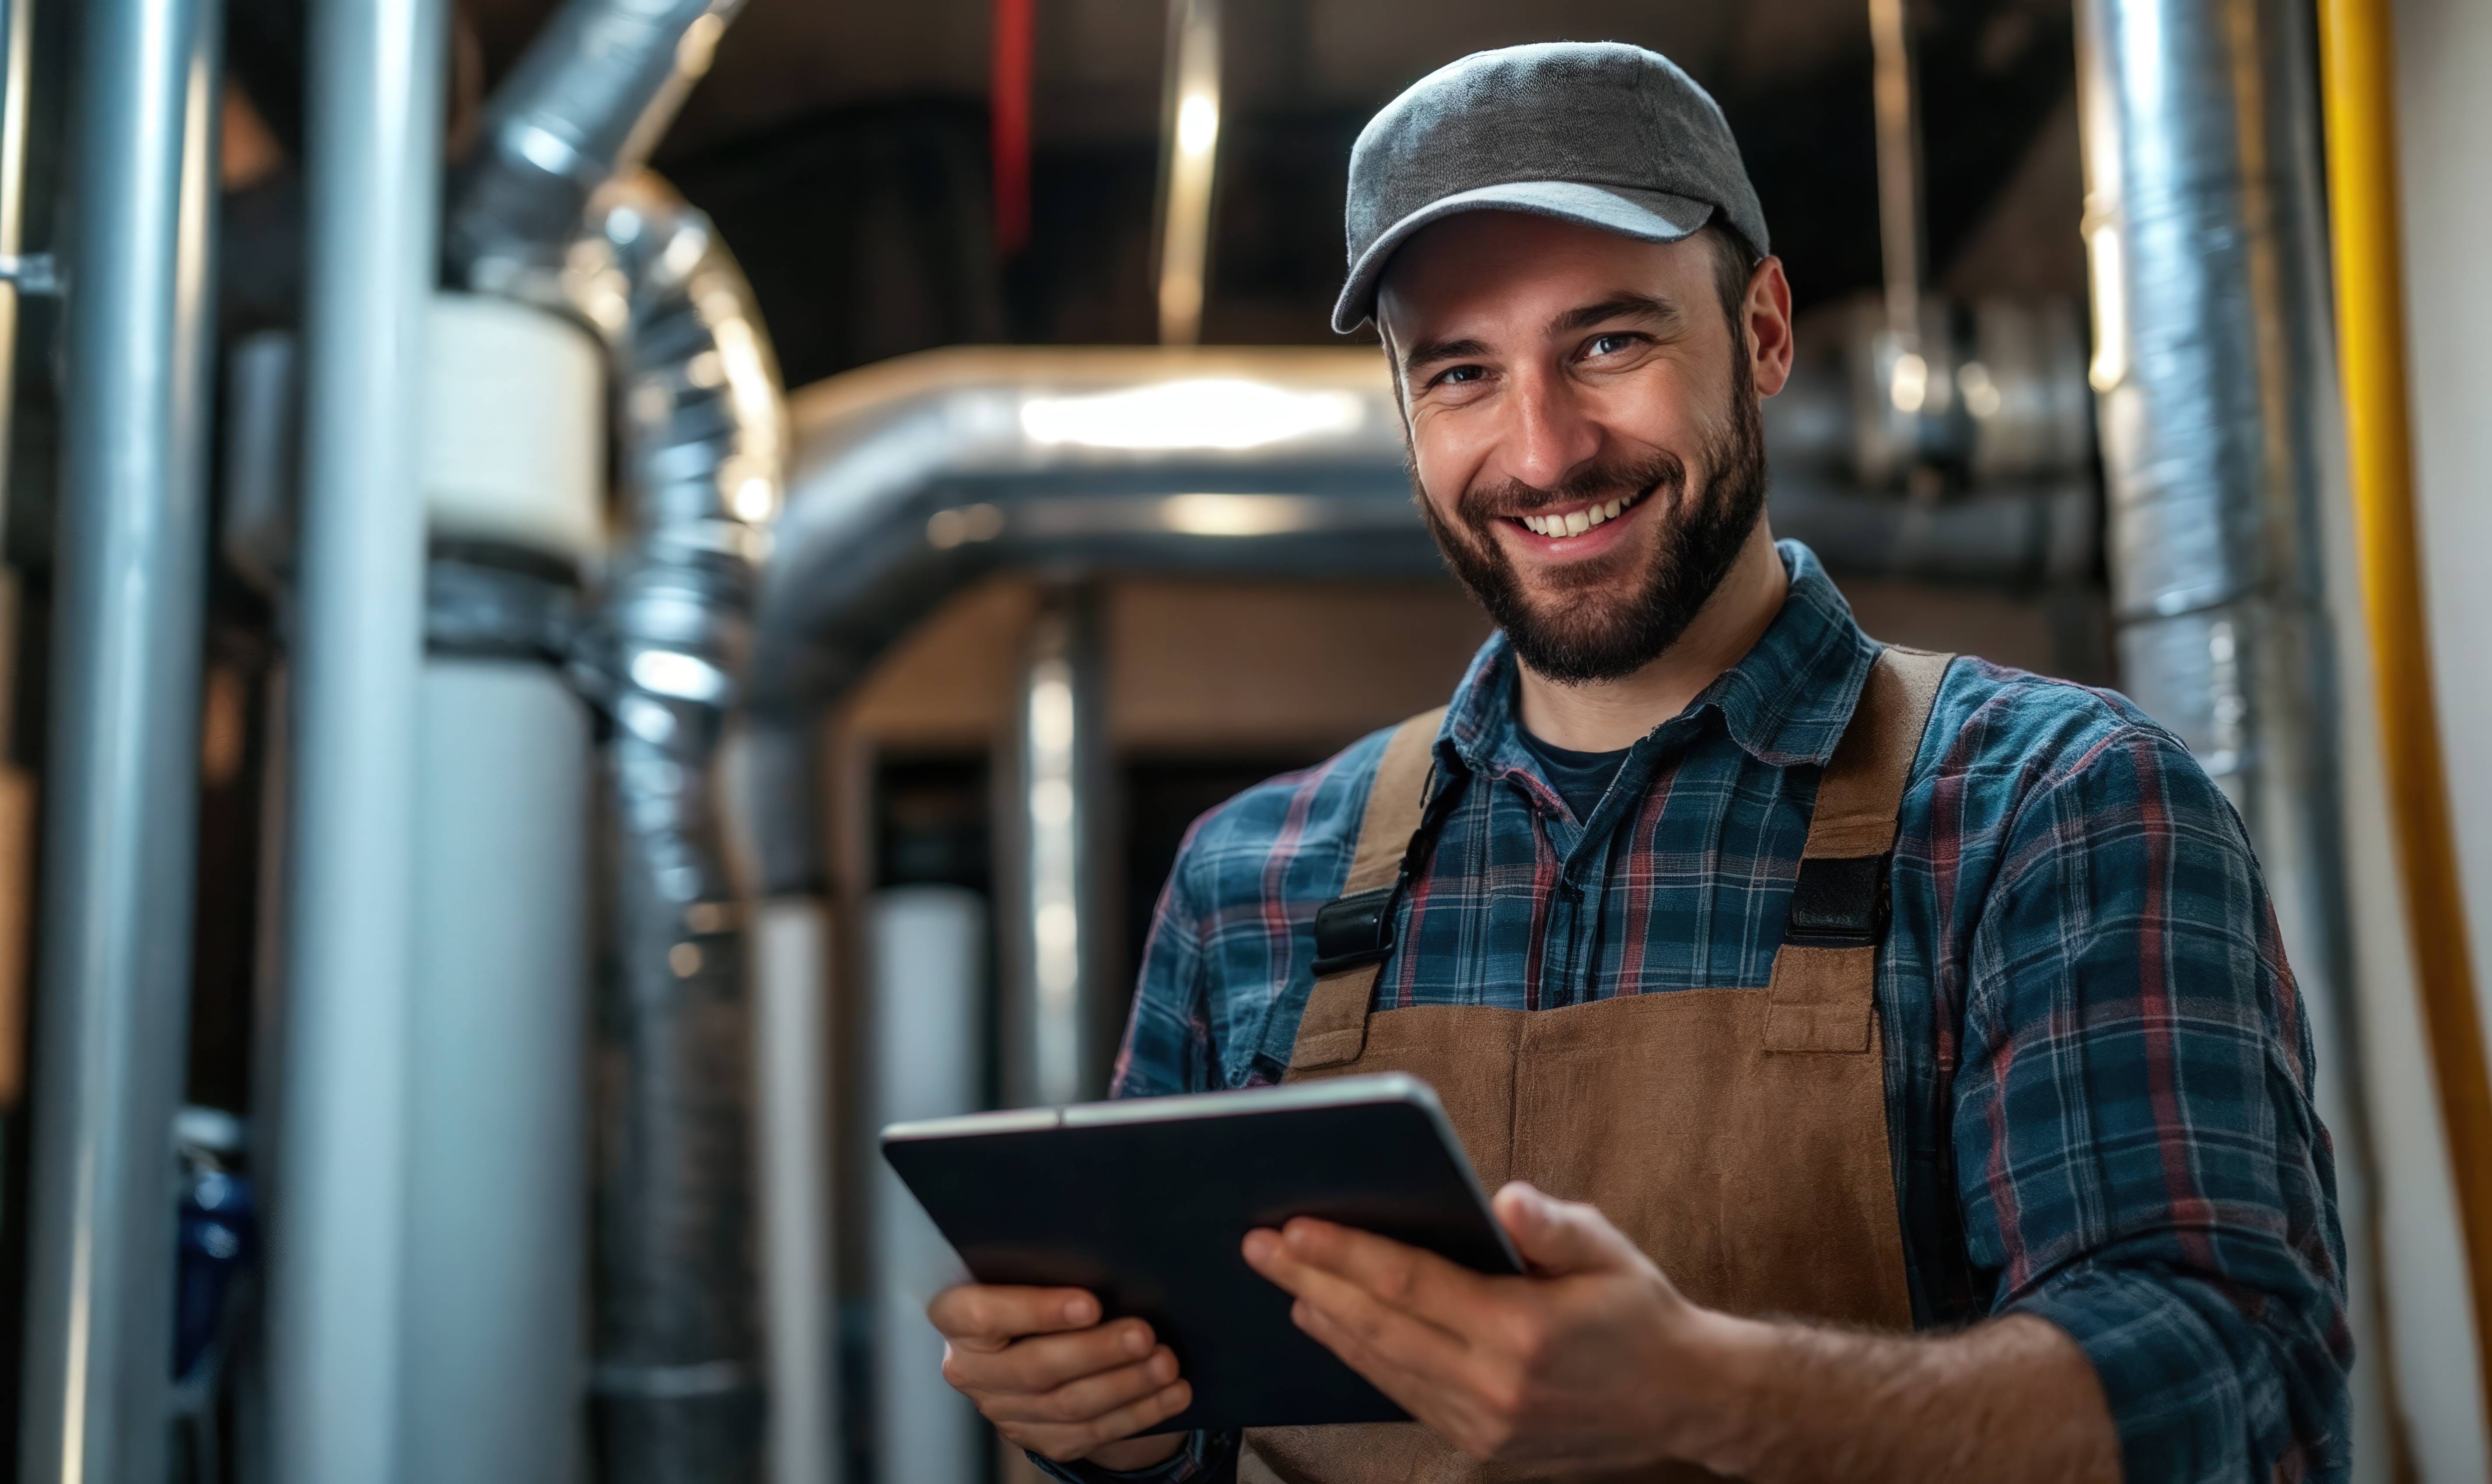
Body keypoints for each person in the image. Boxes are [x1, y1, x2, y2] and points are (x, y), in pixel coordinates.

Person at [929, 41, 2349, 1483]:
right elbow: (1192, 1433)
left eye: (1609, 342)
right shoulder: (1251, 884)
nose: (1543, 453)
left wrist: (1718, 1397)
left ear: (1766, 331)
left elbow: (2236, 1373)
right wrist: (1113, 1423)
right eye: (1465, 371)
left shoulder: (2054, 806)